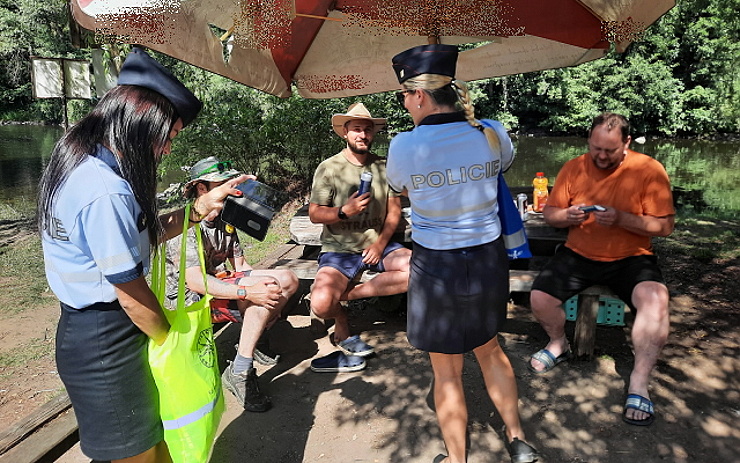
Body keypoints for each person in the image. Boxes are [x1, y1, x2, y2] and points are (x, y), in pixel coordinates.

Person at [37, 47, 247, 463]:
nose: (167, 150)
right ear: (139, 125)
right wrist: (173, 346)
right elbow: (131, 294)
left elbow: (137, 236)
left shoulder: (88, 162)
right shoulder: (105, 190)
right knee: (142, 454)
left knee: (144, 447)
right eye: (166, 138)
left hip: (98, 330)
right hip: (107, 338)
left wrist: (198, 210)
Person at [386, 44, 538, 463]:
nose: (404, 103)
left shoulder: (404, 146)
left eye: (404, 95)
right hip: (488, 260)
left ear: (419, 94)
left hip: (438, 266)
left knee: (447, 370)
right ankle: (518, 440)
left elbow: (401, 188)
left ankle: (458, 461)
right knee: (490, 350)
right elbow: (501, 167)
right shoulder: (491, 132)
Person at [528, 112, 675, 427]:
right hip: (579, 252)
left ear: (627, 142)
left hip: (632, 257)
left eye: (609, 150)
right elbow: (550, 214)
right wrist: (566, 216)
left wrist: (622, 219)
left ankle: (638, 380)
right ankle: (558, 343)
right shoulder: (575, 167)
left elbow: (664, 227)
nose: (601, 156)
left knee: (656, 300)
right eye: (596, 148)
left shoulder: (649, 170)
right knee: (540, 297)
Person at [165, 156, 299, 412]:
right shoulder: (184, 226)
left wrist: (274, 296)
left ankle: (255, 339)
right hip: (189, 303)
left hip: (217, 286)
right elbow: (195, 282)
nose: (231, 188)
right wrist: (248, 290)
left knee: (286, 280)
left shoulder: (226, 218)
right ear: (202, 188)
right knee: (257, 294)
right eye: (223, 183)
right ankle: (240, 371)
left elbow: (241, 267)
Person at [308, 102, 411, 372]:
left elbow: (394, 212)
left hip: (379, 246)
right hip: (339, 249)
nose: (362, 135)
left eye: (367, 129)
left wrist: (379, 244)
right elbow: (315, 214)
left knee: (419, 270)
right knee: (320, 305)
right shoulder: (329, 168)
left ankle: (348, 295)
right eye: (356, 129)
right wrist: (344, 211)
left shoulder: (385, 167)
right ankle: (341, 321)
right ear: (345, 132)